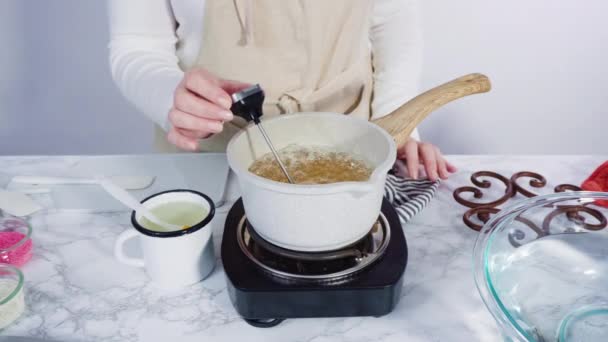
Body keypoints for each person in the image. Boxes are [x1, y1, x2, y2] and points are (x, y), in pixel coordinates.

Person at [108, 0, 456, 181]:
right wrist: (171, 98)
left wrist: (396, 122)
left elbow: (393, 17)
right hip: (213, 155)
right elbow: (138, 44)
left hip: (351, 143)